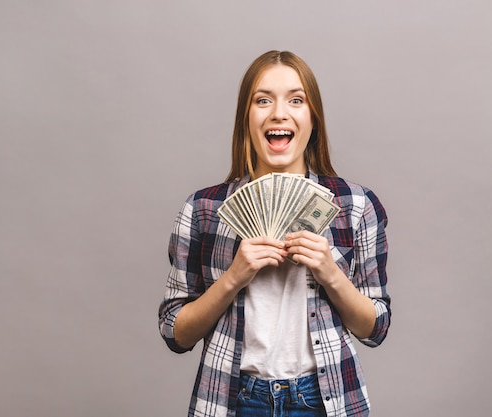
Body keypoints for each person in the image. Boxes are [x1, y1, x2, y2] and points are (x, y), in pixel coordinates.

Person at [158, 50, 390, 417]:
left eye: (296, 100)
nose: (279, 113)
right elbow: (175, 332)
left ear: (313, 118)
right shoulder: (202, 209)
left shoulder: (356, 205)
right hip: (233, 399)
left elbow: (375, 328)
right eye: (263, 100)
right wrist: (233, 277)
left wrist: (330, 273)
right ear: (246, 118)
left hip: (325, 398)